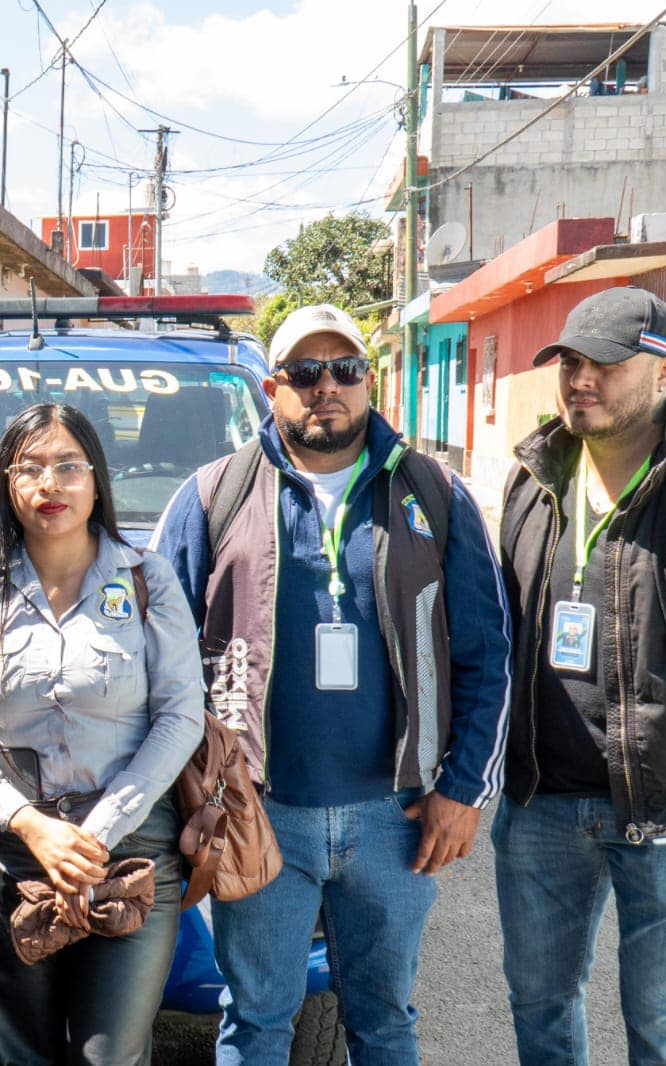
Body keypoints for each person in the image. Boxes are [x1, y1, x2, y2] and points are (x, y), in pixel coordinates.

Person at [151, 303, 511, 1064]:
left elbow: (488, 654)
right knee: (255, 1023)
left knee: (385, 1023)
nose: (327, 388)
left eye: (344, 370)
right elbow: (163, 659)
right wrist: (198, 794)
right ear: (274, 387)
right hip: (261, 813)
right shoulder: (212, 494)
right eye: (306, 373)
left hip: (396, 819)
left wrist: (463, 789)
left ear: (368, 381)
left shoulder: (433, 494)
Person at [0, 402, 205, 1064]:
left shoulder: (147, 579)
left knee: (110, 1055)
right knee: (16, 1055)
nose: (51, 485)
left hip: (129, 858)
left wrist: (96, 833)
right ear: (8, 485)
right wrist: (31, 825)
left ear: (96, 480)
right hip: (13, 856)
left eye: (69, 466)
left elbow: (182, 714)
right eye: (30, 467)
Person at [494, 286, 666, 1065]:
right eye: (571, 362)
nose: (582, 378)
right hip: (543, 804)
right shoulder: (533, 478)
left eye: (606, 364)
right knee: (540, 1012)